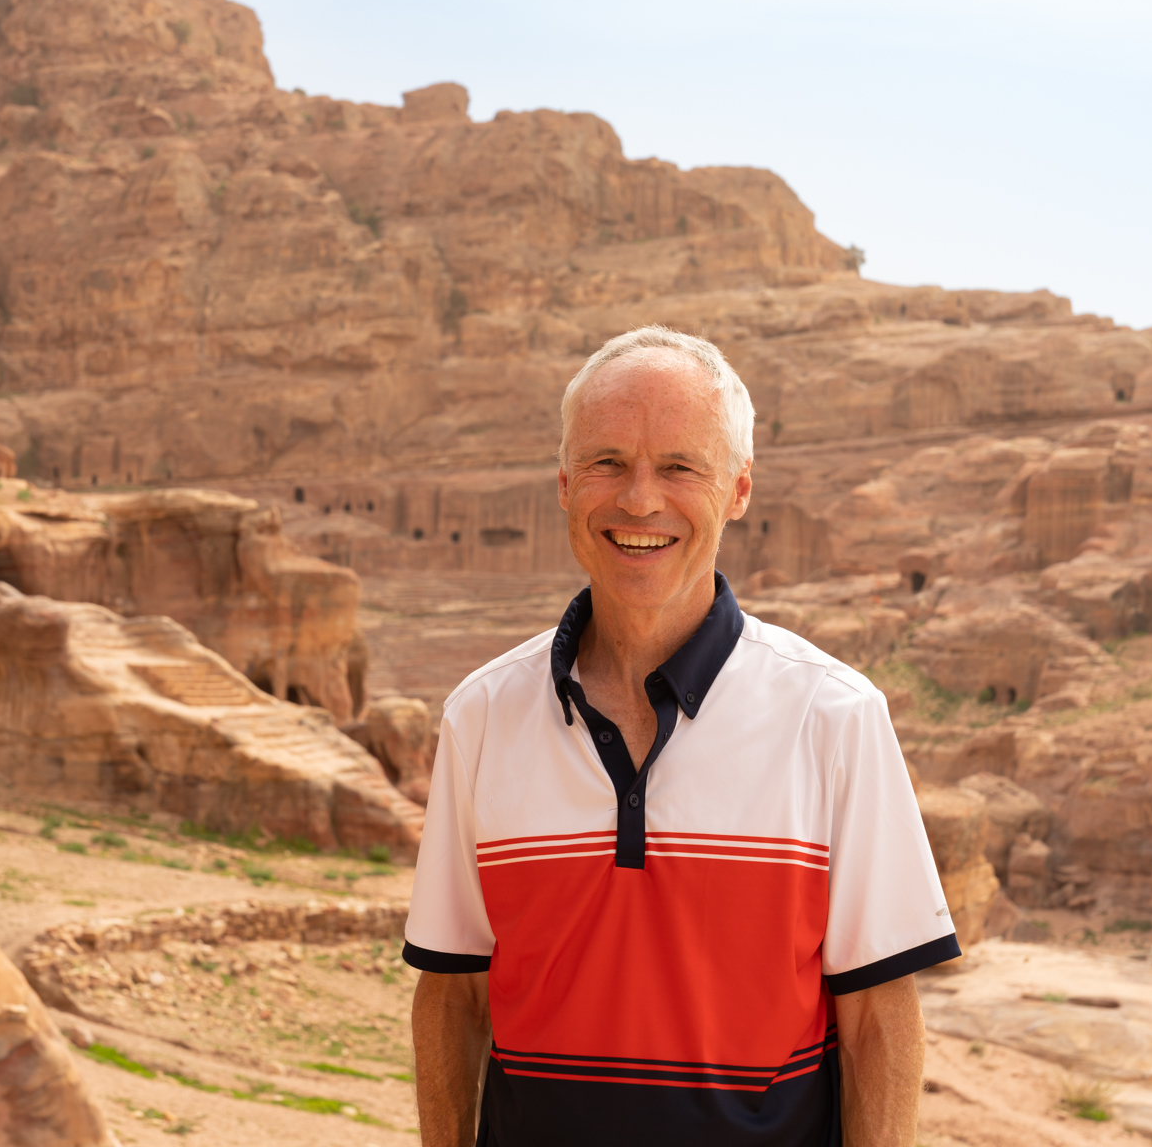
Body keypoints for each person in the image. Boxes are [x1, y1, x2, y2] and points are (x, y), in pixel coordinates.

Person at [404, 326, 957, 1147]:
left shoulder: (834, 716)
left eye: (678, 467)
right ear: (563, 484)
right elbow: (453, 998)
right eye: (607, 463)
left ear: (737, 489)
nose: (637, 500)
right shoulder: (481, 716)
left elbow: (877, 1017)